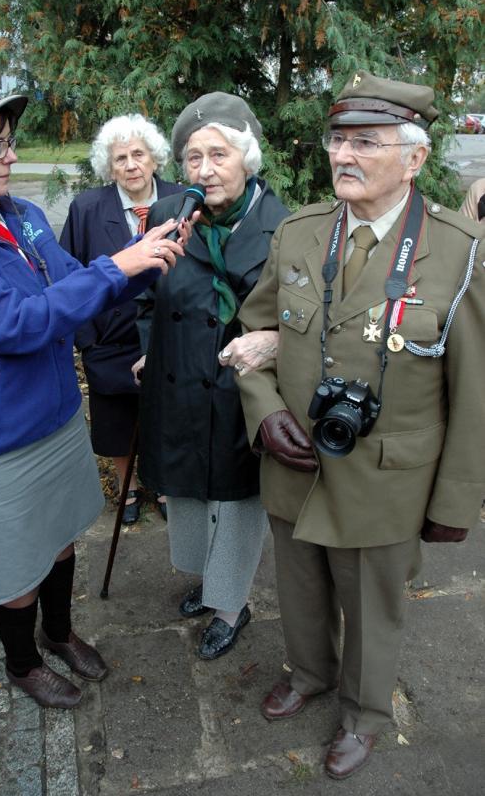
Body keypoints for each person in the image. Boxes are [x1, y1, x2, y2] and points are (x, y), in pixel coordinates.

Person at [0, 79, 192, 709]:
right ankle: (22, 661)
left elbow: (75, 288)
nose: (11, 156)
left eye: (10, 143)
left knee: (60, 537)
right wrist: (120, 266)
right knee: (14, 569)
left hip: (56, 417)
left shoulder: (23, 217)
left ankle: (59, 633)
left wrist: (144, 257)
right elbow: (13, 324)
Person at [236, 70, 485, 779]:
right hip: (295, 460)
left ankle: (366, 711)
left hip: (387, 480)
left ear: (414, 158)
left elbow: (475, 391)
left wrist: (455, 501)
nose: (343, 155)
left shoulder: (461, 250)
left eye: (365, 143)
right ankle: (310, 671)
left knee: (373, 610)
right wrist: (265, 414)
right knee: (299, 585)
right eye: (338, 140)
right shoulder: (300, 233)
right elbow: (252, 335)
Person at [135, 92, 290, 660]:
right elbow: (147, 299)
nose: (204, 169)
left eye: (218, 155)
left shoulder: (285, 227)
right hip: (177, 381)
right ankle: (207, 582)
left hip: (240, 391)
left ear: (247, 160)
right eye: (194, 157)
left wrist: (274, 348)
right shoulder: (165, 216)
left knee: (239, 499)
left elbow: (298, 321)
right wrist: (150, 348)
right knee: (189, 492)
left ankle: (232, 604)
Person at [60, 114, 181, 525]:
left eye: (138, 155)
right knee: (115, 416)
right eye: (120, 158)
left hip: (168, 331)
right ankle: (127, 484)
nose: (130, 165)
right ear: (109, 166)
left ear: (154, 158)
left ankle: (165, 483)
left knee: (167, 412)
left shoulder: (181, 201)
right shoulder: (87, 208)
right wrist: (87, 339)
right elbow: (69, 276)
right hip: (109, 336)